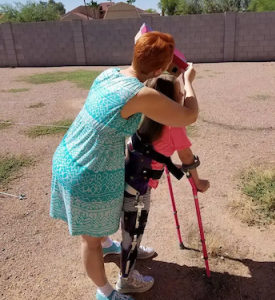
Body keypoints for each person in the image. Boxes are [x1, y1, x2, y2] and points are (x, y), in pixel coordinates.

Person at [50, 31, 199, 300]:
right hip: (87, 171)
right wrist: (187, 83)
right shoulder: (140, 94)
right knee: (89, 241)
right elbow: (189, 115)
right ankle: (106, 293)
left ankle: (107, 244)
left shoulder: (109, 74)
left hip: (70, 154)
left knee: (97, 233)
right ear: (159, 69)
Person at [117, 74, 210, 294]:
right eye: (179, 91)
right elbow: (187, 157)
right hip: (138, 189)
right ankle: (126, 279)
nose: (182, 94)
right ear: (171, 98)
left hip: (126, 178)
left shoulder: (144, 112)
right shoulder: (173, 125)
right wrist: (198, 181)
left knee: (131, 227)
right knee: (133, 230)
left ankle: (134, 249)